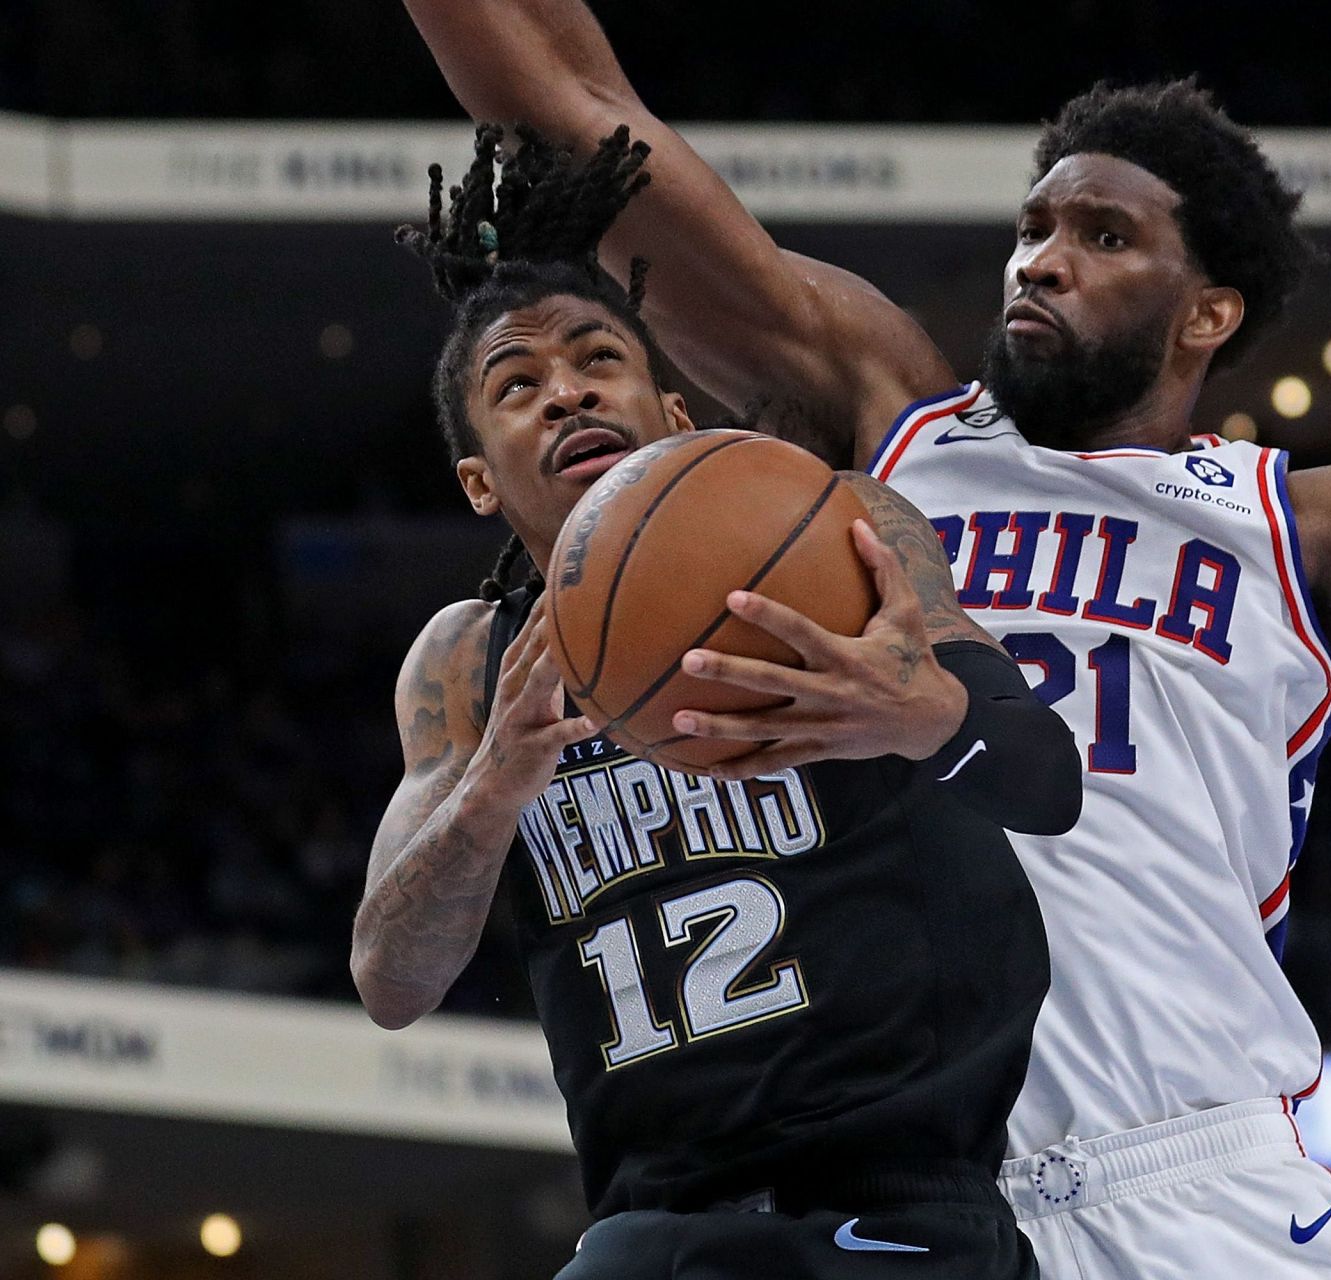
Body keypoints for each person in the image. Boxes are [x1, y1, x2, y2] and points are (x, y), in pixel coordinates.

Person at [402, 5, 1331, 1275]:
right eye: (1033, 225)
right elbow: (577, 106)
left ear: (1207, 313)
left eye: (1103, 234)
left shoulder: (1309, 528)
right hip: (921, 1200)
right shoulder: (889, 426)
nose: (1039, 259)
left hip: (1190, 1168)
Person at [349, 125, 1082, 1279]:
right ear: (480, 480)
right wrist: (496, 783)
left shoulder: (841, 532)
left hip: (893, 1199)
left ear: (676, 415)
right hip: (653, 1223)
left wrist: (922, 715)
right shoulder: (464, 664)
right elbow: (391, 980)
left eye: (599, 359)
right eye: (517, 385)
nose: (567, 393)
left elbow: (1047, 779)